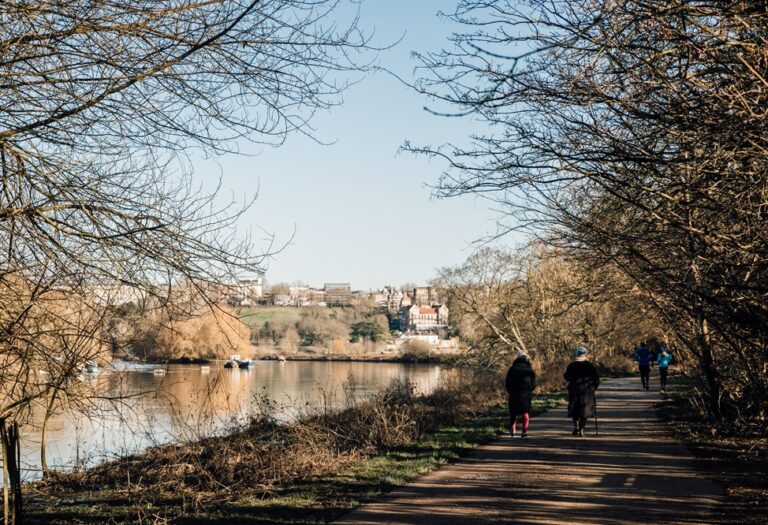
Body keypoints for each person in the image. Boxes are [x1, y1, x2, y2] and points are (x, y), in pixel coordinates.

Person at [564, 347, 600, 437]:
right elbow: (596, 378)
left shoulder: (572, 365)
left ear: (577, 354)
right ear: (585, 354)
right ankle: (582, 429)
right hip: (587, 391)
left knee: (574, 409)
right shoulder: (589, 365)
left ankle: (576, 427)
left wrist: (573, 379)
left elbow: (566, 376)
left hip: (574, 390)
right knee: (585, 410)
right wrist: (594, 387)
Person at [505, 350, 537, 438]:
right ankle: (524, 432)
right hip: (526, 394)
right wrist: (529, 390)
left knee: (513, 412)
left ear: (517, 358)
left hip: (514, 393)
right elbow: (534, 384)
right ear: (526, 358)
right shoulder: (530, 369)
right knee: (525, 412)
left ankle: (512, 431)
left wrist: (510, 390)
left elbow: (507, 382)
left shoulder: (512, 369)